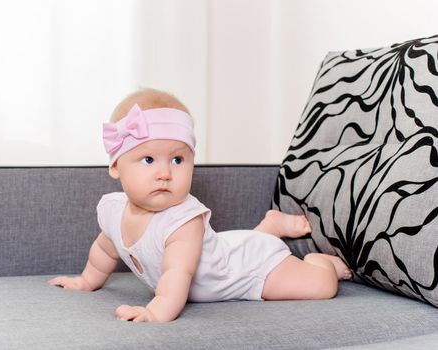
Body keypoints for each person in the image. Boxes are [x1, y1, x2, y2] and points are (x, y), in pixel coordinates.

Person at [48, 88, 351, 323]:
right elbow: (104, 250)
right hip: (230, 250)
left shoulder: (184, 221)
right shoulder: (113, 210)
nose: (164, 172)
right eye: (148, 159)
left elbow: (176, 275)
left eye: (178, 159)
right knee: (235, 246)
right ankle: (269, 228)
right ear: (116, 166)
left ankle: (324, 264)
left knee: (319, 287)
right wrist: (87, 281)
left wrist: (156, 312)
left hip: (251, 271)